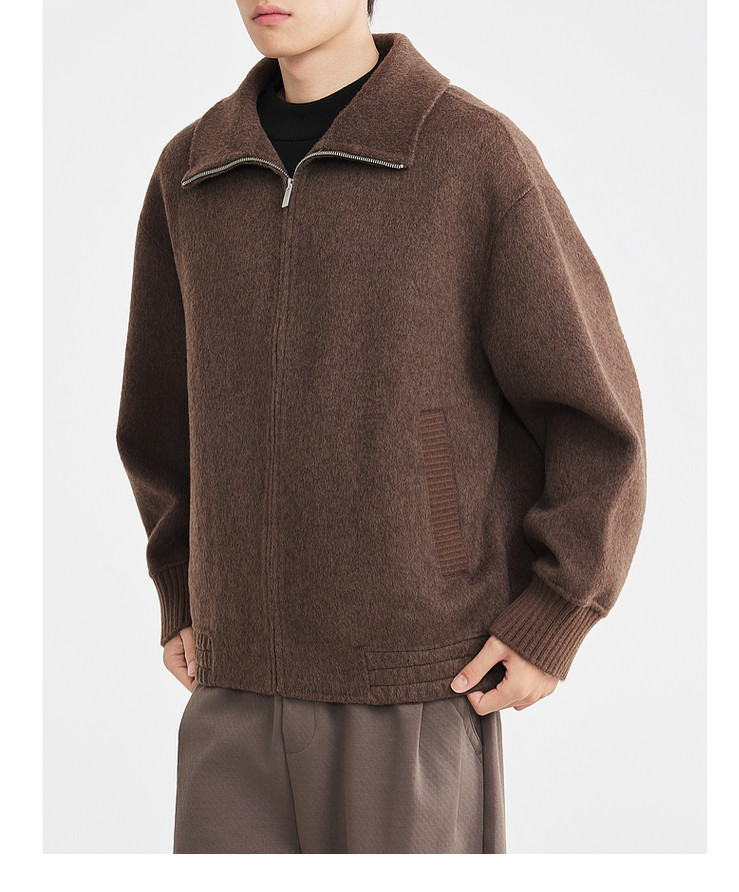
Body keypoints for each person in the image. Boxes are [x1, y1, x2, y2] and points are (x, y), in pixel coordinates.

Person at [115, 0, 647, 855]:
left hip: (414, 687)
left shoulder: (471, 156)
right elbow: (158, 412)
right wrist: (179, 583)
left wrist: (557, 608)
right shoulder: (192, 171)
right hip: (230, 685)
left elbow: (593, 412)